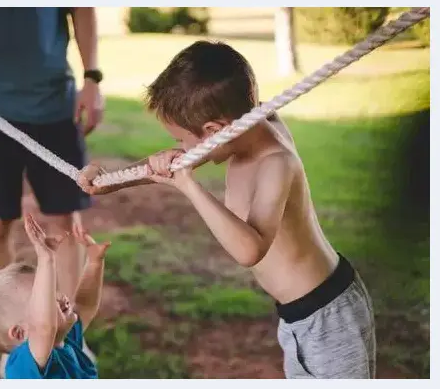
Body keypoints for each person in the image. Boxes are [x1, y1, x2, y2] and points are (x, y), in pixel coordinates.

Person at [78, 40, 376, 379]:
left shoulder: (275, 163)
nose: (182, 150)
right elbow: (180, 159)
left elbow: (250, 250)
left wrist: (189, 186)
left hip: (329, 316)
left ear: (214, 132)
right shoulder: (242, 126)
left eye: (182, 141)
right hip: (298, 314)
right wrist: (111, 181)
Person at [0, 7, 103, 375]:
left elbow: (82, 8)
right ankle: (20, 341)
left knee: (63, 222)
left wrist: (92, 78)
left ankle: (66, 331)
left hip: (52, 103)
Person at [0, 213, 110, 379]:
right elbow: (43, 327)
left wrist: (94, 262)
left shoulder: (63, 339)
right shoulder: (24, 363)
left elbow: (84, 305)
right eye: (46, 298)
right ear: (20, 334)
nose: (59, 296)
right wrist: (46, 259)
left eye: (52, 290)